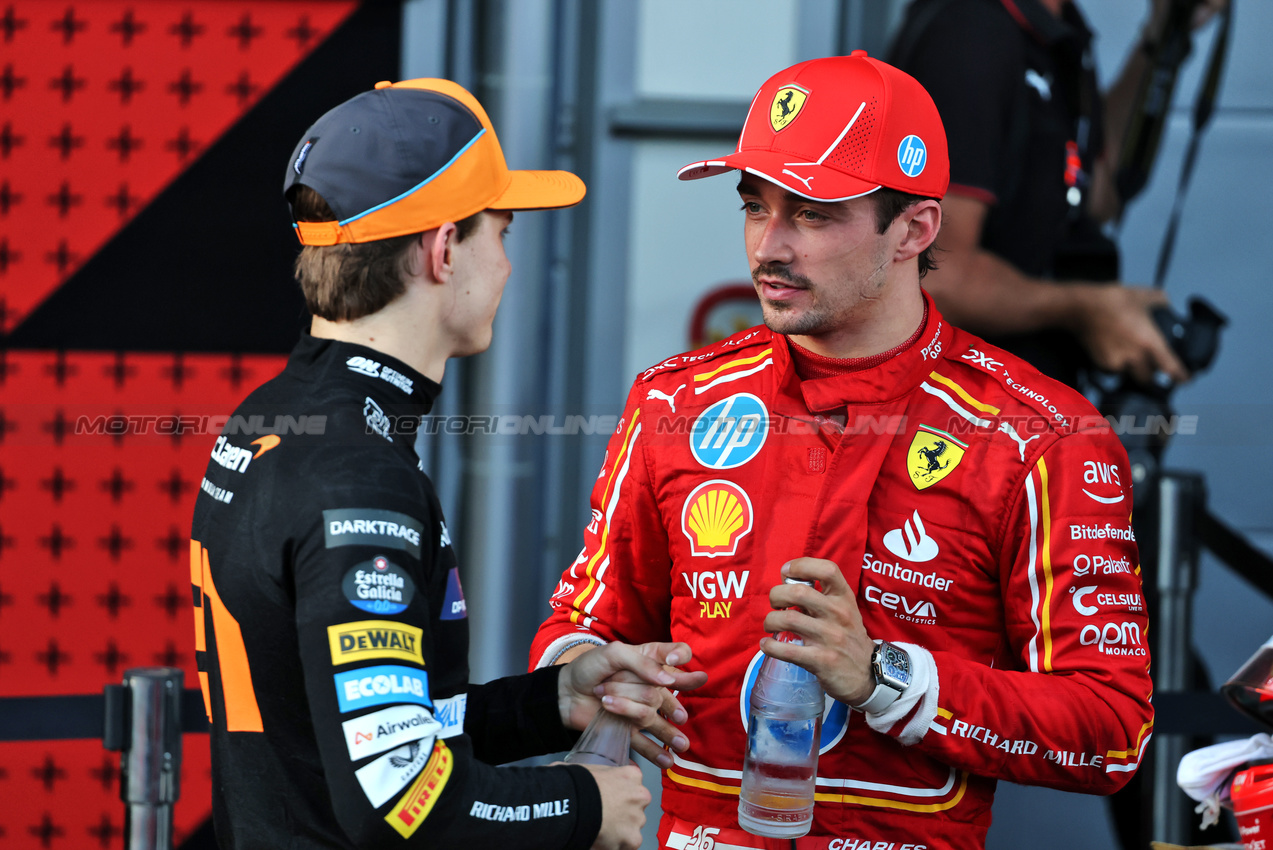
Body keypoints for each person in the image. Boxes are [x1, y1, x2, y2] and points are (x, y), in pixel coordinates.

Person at [531, 53, 1152, 850]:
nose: (768, 247)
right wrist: (601, 671)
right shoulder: (675, 401)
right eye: (755, 208)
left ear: (914, 229)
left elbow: (1112, 731)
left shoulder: (1042, 436)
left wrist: (884, 679)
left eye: (812, 214)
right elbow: (582, 624)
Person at [190, 78, 705, 850]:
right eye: (500, 231)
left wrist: (549, 699)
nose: (503, 266)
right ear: (441, 251)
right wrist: (581, 805)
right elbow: (396, 799)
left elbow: (344, 723)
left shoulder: (275, 415)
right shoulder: (355, 477)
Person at [886, 0, 1225, 390]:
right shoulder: (969, 32)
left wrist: (1161, 36)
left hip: (1027, 407)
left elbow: (1097, 192)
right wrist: (1084, 309)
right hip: (958, 420)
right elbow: (932, 276)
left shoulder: (1059, 27)